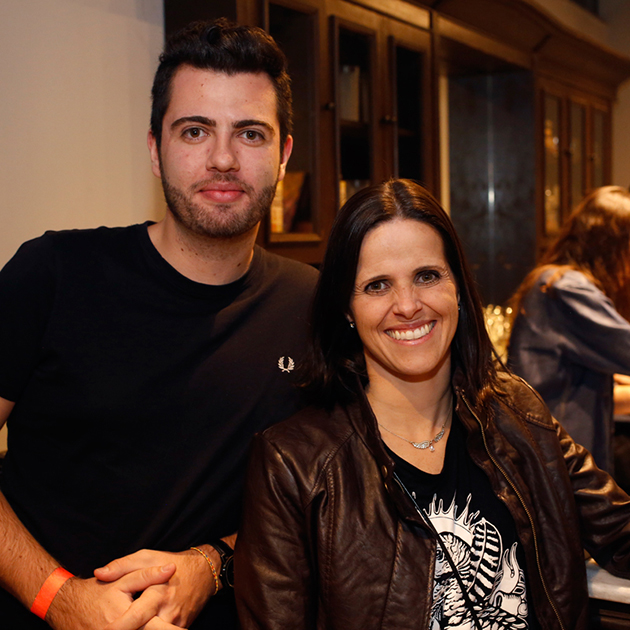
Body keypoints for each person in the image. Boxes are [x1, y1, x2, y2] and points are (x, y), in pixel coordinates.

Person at [0, 18, 317, 630]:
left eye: (250, 133)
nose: (222, 158)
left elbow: (328, 500)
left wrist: (213, 564)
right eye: (195, 130)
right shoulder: (54, 273)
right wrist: (60, 600)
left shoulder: (312, 307)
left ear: (283, 155)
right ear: (154, 149)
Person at [234, 179, 630, 630]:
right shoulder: (293, 465)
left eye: (427, 276)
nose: (407, 305)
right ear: (346, 309)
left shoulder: (518, 413)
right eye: (377, 285)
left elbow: (621, 533)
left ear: (457, 286)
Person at [507, 186, 630, 474]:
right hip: (556, 454)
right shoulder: (566, 288)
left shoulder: (554, 280)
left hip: (554, 449)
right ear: (613, 245)